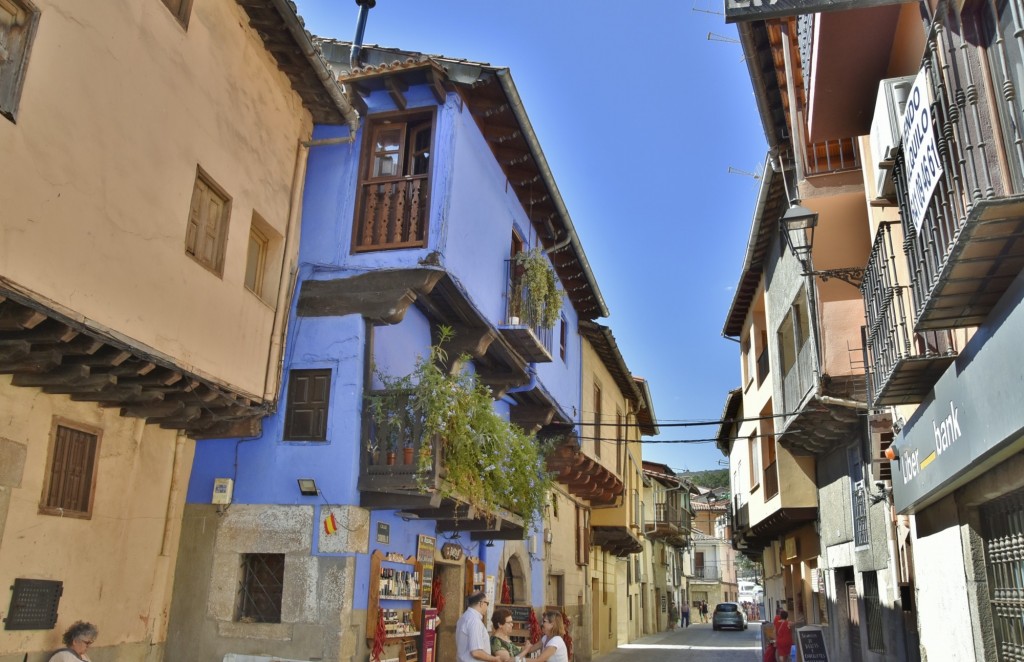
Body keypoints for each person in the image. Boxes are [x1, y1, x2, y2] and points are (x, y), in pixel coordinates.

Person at [456, 591, 502, 662]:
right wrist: (494, 659)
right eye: (487, 604)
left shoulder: (464, 617)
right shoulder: (474, 621)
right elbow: (476, 652)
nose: (487, 607)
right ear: (481, 603)